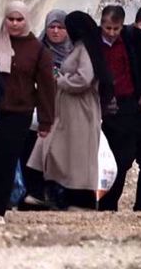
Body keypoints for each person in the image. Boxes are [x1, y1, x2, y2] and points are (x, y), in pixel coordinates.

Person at [28, 11, 113, 209]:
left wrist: (60, 81)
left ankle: (80, 200)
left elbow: (84, 78)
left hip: (80, 109)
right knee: (56, 149)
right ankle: (46, 193)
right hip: (69, 109)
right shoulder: (82, 48)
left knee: (77, 155)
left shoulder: (84, 49)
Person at [0, 1, 57, 224]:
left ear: (26, 20)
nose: (14, 24)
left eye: (19, 19)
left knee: (6, 161)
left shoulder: (37, 50)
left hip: (18, 112)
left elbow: (46, 87)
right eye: (10, 19)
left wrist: (46, 121)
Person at [97, 5, 141, 212]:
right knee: (118, 160)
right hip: (111, 108)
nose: (111, 33)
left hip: (134, 104)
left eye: (115, 29)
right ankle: (108, 205)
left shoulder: (134, 39)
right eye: (107, 28)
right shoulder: (94, 42)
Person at [20, 9, 73, 207]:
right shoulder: (37, 50)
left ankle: (57, 195)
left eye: (61, 27)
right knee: (32, 153)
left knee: (58, 156)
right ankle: (34, 193)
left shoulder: (74, 52)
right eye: (52, 26)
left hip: (65, 111)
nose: (56, 31)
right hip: (37, 110)